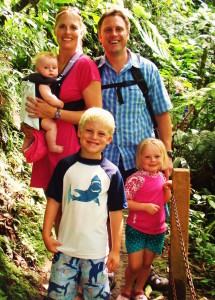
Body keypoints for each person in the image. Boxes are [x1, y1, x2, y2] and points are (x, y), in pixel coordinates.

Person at [97, 8, 173, 291]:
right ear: (100, 36)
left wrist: (166, 155)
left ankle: (142, 271)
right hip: (105, 157)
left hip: (143, 159)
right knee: (105, 212)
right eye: (108, 29)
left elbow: (163, 112)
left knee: (149, 213)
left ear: (127, 33)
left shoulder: (146, 69)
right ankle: (106, 269)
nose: (114, 34)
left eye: (119, 29)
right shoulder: (94, 69)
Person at [43, 107, 127, 300]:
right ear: (79, 131)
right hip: (65, 248)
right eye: (88, 130)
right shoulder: (65, 166)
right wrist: (46, 233)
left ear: (109, 139)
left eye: (101, 133)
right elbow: (54, 200)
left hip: (96, 253)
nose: (93, 137)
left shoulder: (112, 173)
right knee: (59, 296)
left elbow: (115, 214)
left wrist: (115, 250)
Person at [22, 6, 102, 190]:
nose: (67, 32)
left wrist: (55, 112)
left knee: (68, 205)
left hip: (69, 143)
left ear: (80, 31)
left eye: (73, 27)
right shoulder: (49, 64)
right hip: (46, 140)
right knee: (52, 203)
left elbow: (96, 116)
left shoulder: (85, 65)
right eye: (62, 26)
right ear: (55, 30)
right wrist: (27, 125)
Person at [117, 138, 172, 300]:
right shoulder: (135, 179)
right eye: (147, 157)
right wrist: (145, 207)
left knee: (147, 264)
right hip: (136, 229)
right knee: (135, 265)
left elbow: (165, 201)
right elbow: (126, 202)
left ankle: (138, 290)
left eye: (156, 156)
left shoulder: (162, 177)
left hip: (157, 230)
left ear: (163, 158)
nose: (152, 160)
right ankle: (126, 290)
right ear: (140, 158)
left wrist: (167, 189)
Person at [22, 52, 65, 154]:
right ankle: (52, 146)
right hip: (40, 117)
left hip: (30, 115)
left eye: (54, 68)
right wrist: (60, 104)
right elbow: (48, 97)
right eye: (46, 67)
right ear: (37, 69)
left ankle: (25, 148)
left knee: (29, 136)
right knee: (52, 127)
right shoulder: (43, 83)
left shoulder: (34, 81)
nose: (51, 70)